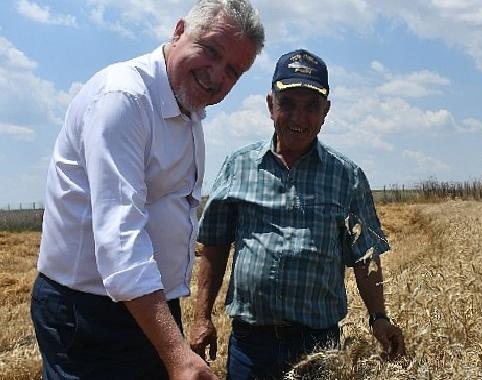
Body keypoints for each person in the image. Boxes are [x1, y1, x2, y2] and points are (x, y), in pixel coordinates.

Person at [30, 1, 264, 379]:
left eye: (233, 71)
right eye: (211, 51)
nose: (216, 75)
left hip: (146, 305)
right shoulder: (123, 100)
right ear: (178, 31)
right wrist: (177, 353)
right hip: (91, 314)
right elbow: (121, 242)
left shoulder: (187, 108)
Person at [189, 48, 406, 379]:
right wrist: (202, 317)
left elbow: (365, 256)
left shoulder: (346, 176)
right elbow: (215, 245)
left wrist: (379, 317)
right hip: (251, 344)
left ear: (326, 112)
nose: (298, 118)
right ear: (270, 105)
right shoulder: (239, 165)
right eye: (287, 104)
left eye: (311, 107)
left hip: (318, 346)